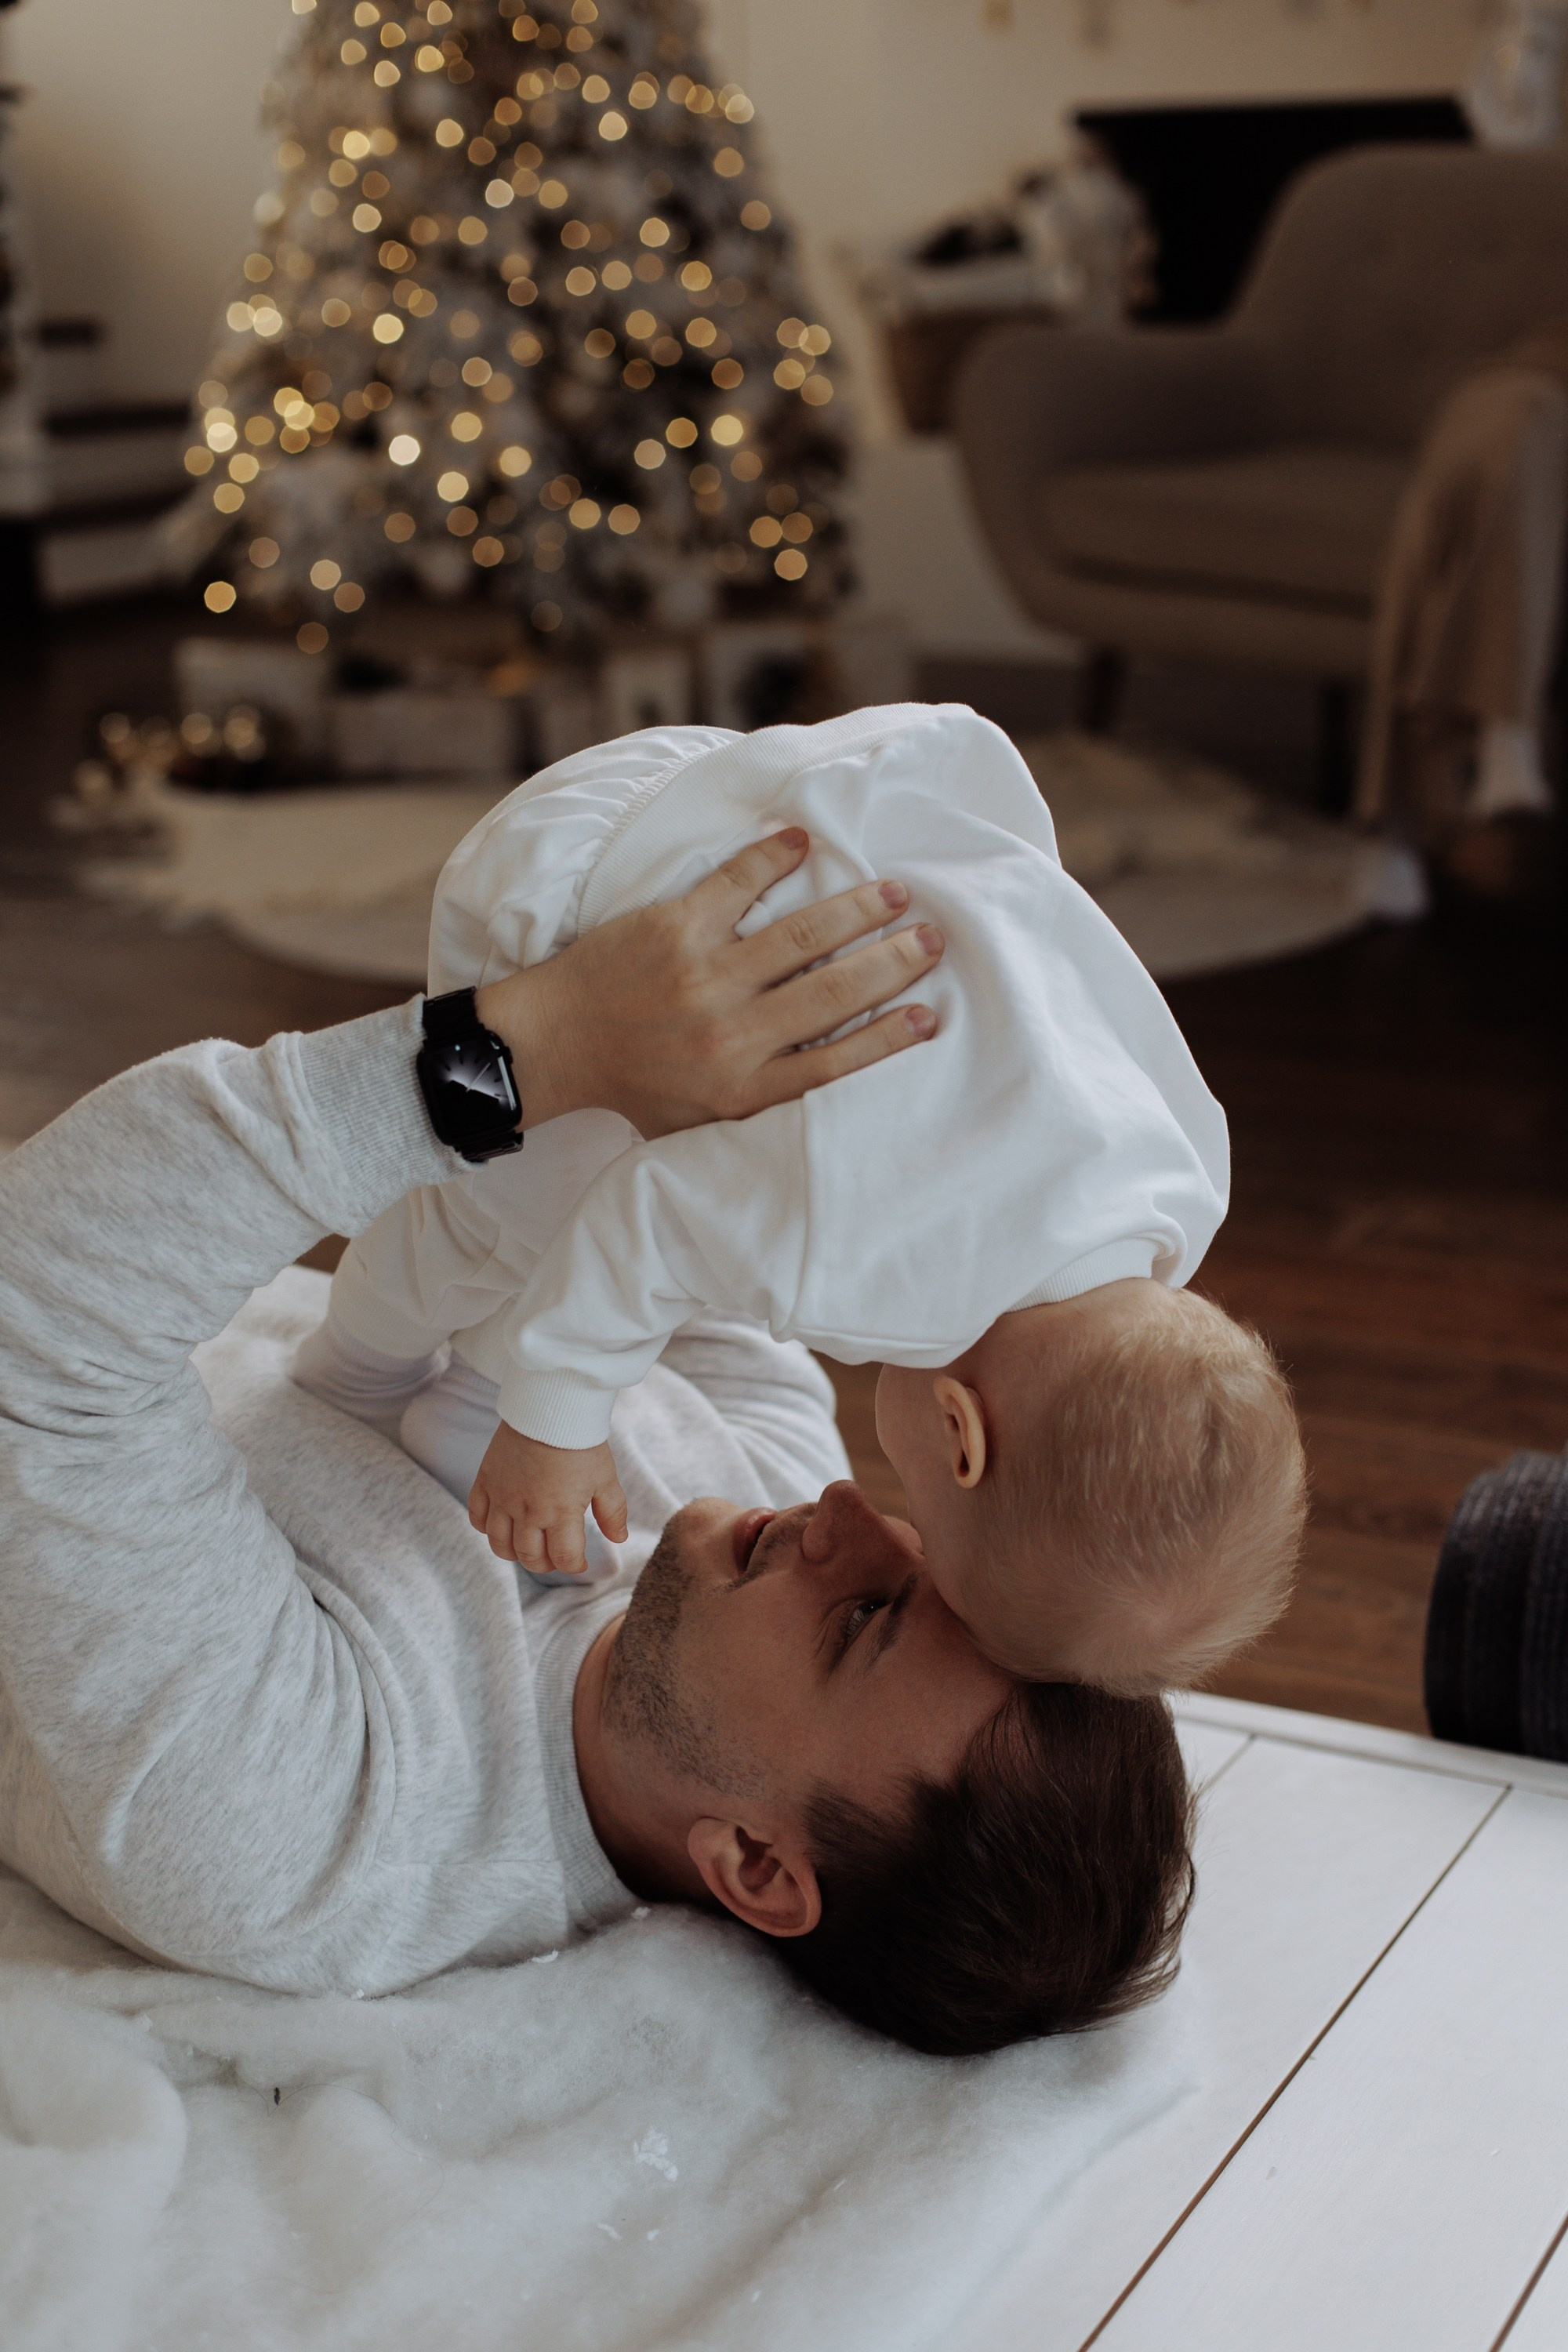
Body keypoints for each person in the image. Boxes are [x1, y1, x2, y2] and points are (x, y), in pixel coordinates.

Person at [0, 839, 1193, 2057]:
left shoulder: (312, 1822)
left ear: (758, 1868)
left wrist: (518, 1050)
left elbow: (33, 1311)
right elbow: (720, 1161)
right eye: (924, 1558)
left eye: (861, 1624)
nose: (845, 1512)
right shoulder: (757, 1502)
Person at [304, 705, 1305, 1692]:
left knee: (706, 1200)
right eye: (919, 1515)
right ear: (958, 1436)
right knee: (509, 1220)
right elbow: (639, 1222)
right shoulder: (882, 1264)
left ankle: (474, 1386)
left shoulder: (1180, 1184)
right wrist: (555, 1425)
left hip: (778, 798)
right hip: (582, 899)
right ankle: (361, 1366)